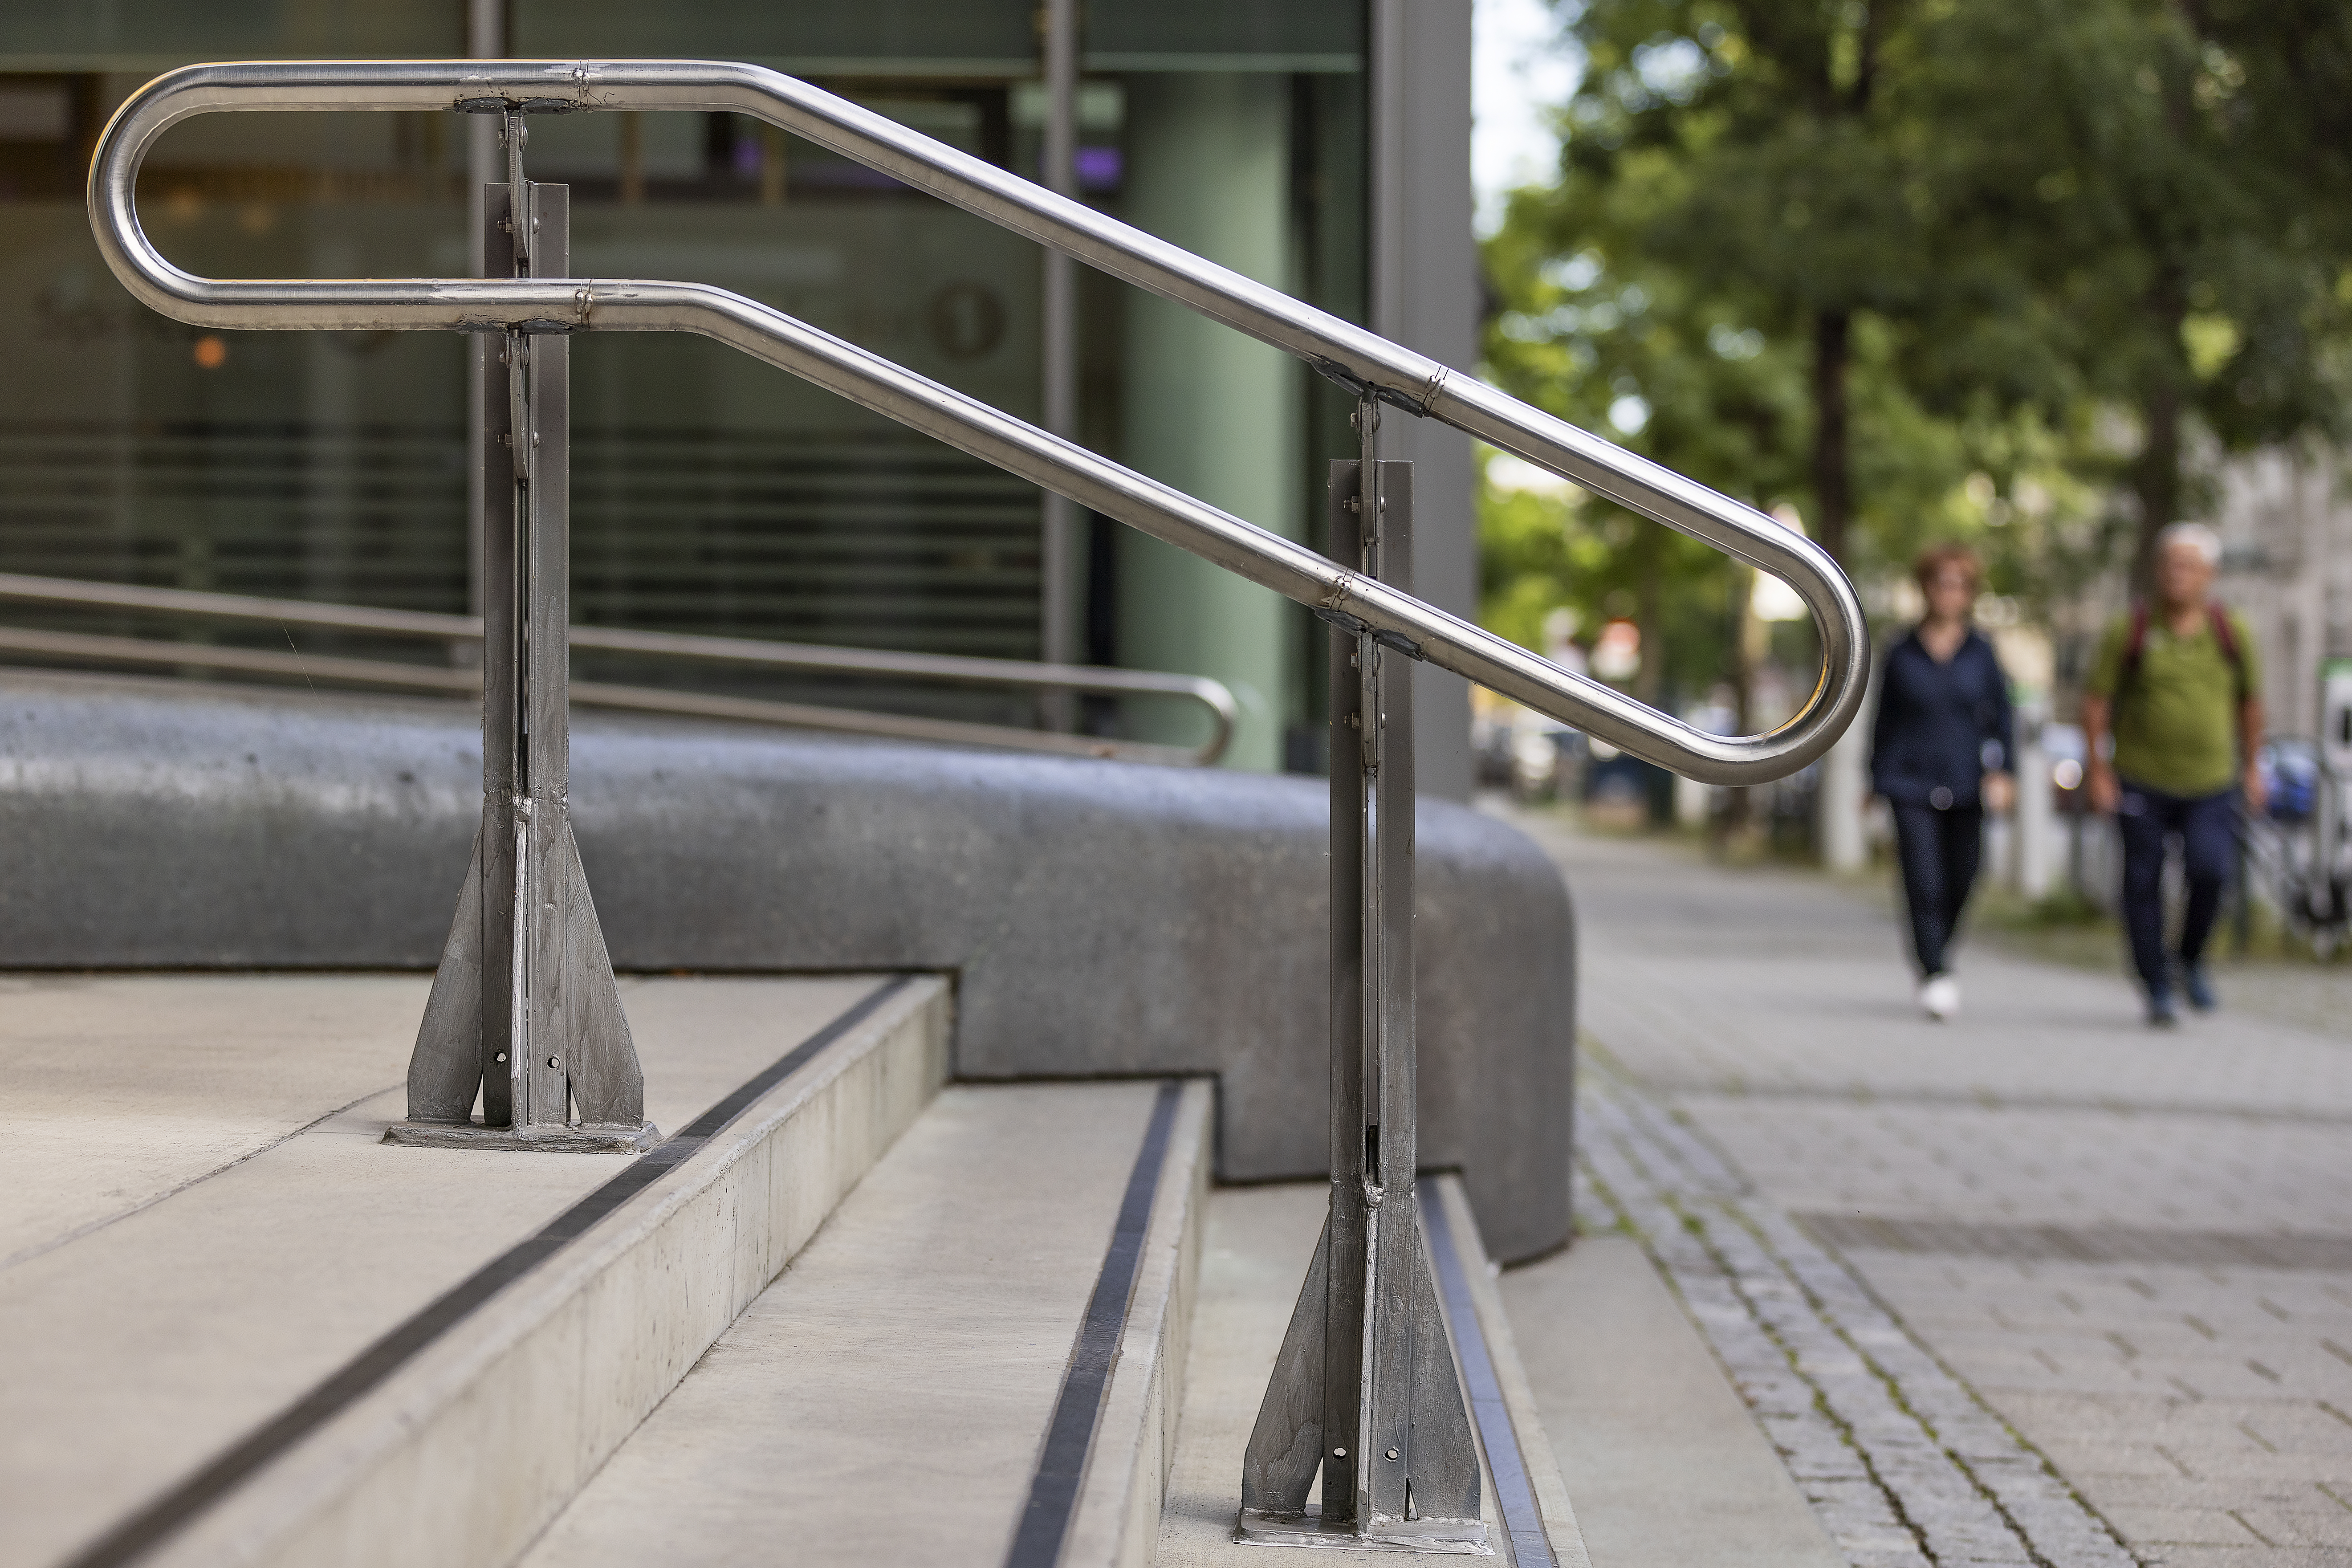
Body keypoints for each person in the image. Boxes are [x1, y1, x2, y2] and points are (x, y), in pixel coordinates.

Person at [2083, 522, 2266, 1026]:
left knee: (2210, 871)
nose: (2176, 575)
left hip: (2210, 779)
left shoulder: (2231, 631)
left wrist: (2253, 767)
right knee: (2140, 882)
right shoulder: (2133, 627)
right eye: (2168, 564)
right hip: (2140, 777)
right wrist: (2097, 770)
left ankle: (2189, 959)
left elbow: (2249, 702)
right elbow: (2096, 700)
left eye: (2188, 565)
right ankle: (2155, 984)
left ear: (2209, 574)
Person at [1870, 544, 2015, 1021]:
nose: (1948, 591)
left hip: (1965, 780)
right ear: (1925, 587)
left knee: (1962, 876)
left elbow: (2002, 715)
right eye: (1939, 581)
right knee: (1921, 878)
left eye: (1958, 583)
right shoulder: (1900, 650)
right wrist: (1872, 778)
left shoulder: (1982, 651)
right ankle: (1933, 970)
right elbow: (1882, 719)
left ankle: (1939, 952)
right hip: (1908, 780)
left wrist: (2004, 770)